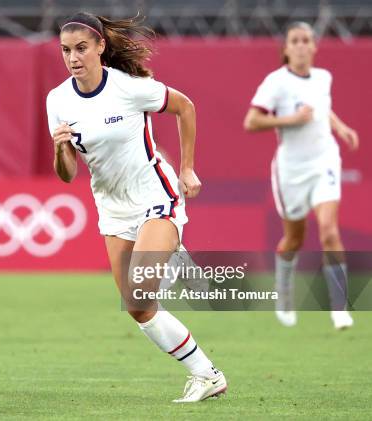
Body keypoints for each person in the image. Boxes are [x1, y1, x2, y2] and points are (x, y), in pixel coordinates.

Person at [46, 12, 227, 402]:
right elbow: (66, 174)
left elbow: (186, 107)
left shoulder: (129, 88)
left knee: (143, 284)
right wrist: (60, 149)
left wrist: (188, 167)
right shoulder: (57, 100)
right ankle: (205, 374)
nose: (73, 58)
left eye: (81, 48)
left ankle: (171, 254)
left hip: (153, 194)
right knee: (137, 305)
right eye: (65, 50)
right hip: (111, 208)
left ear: (100, 48)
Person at [244, 22, 359, 329]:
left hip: (324, 161)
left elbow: (323, 107)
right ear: (286, 48)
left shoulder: (323, 78)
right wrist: (291, 119)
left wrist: (341, 127)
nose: (301, 45)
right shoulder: (276, 82)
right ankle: (283, 295)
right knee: (294, 239)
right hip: (291, 171)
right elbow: (252, 121)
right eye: (295, 40)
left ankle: (339, 307)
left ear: (314, 46)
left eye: (306, 40)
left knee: (329, 230)